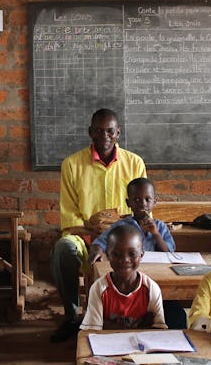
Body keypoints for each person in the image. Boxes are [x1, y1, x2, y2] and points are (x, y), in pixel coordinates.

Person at [51, 108, 146, 342]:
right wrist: (94, 231)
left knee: (133, 249)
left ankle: (125, 317)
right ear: (90, 132)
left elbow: (142, 209)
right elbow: (70, 214)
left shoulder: (134, 163)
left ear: (118, 133)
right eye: (99, 131)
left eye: (110, 131)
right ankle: (72, 316)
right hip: (85, 236)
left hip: (122, 240)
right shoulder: (72, 165)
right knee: (63, 248)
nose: (104, 136)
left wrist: (114, 231)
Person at [81, 225, 166, 330]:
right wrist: (139, 328)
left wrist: (106, 324)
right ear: (107, 255)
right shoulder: (99, 288)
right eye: (117, 254)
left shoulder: (151, 289)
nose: (125, 259)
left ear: (141, 254)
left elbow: (158, 330)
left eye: (132, 254)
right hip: (108, 345)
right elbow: (93, 331)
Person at [88, 178, 175, 263]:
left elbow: (169, 253)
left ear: (154, 202)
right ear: (128, 203)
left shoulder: (160, 226)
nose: (143, 204)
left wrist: (156, 234)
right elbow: (99, 243)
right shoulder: (121, 226)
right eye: (137, 200)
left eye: (147, 199)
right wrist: (97, 251)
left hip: (155, 269)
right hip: (128, 268)